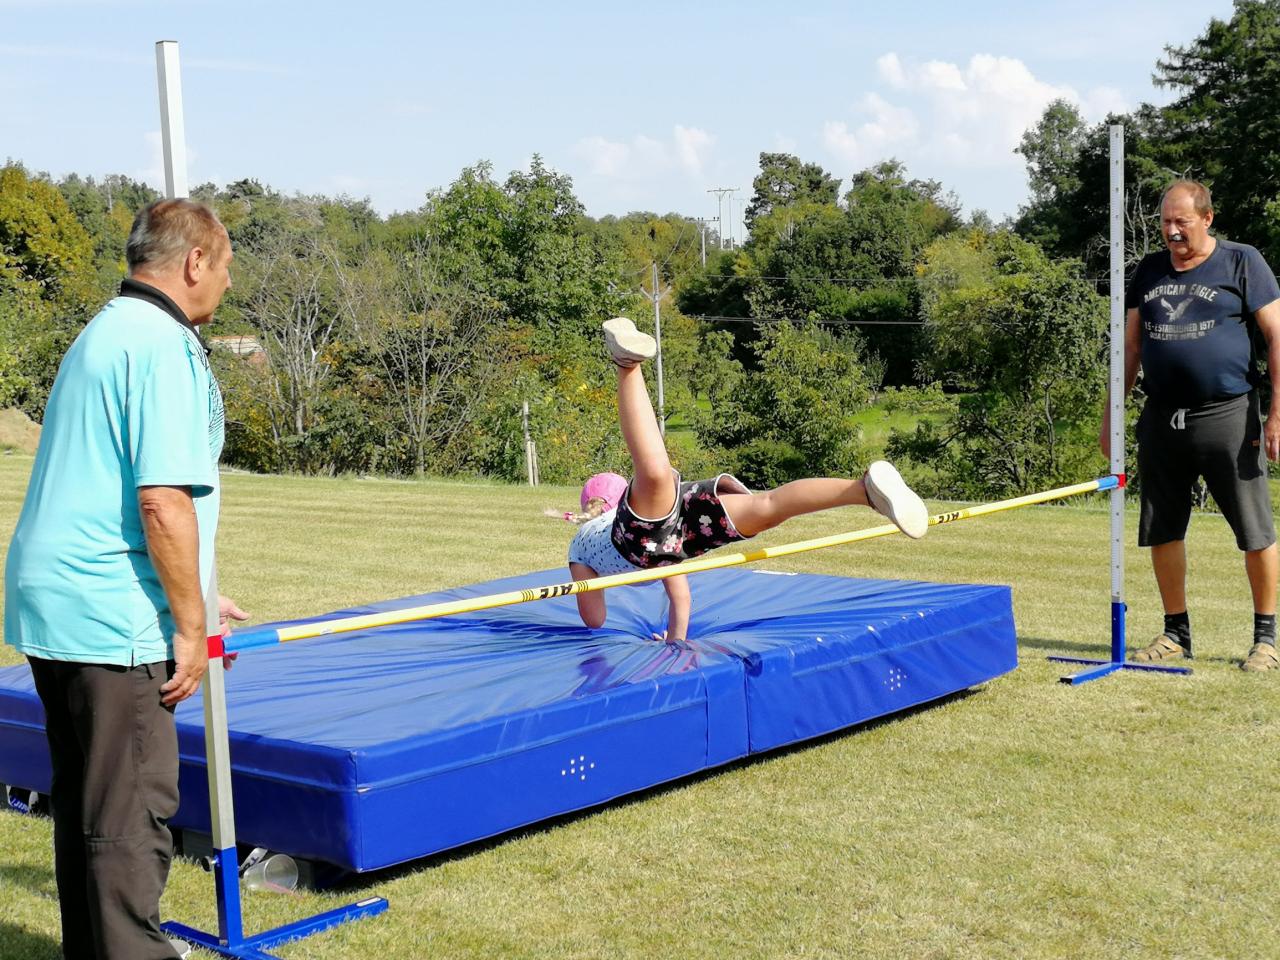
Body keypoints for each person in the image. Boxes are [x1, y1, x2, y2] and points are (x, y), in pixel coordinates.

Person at [3, 198, 248, 959]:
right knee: (129, 816)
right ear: (195, 261)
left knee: (90, 806)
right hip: (113, 617)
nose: (229, 283)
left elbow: (109, 482)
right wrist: (189, 629)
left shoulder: (105, 331)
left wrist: (197, 592)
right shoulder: (162, 346)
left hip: (58, 604)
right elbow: (163, 500)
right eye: (227, 266)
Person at [566, 316, 929, 642]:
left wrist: (597, 585)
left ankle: (626, 363)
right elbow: (679, 594)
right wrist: (675, 640)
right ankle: (863, 491)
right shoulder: (594, 538)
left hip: (645, 545)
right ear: (620, 498)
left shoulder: (582, 546)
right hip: (678, 535)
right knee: (766, 505)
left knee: (655, 471)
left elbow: (595, 620)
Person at [1102, 179, 1280, 672]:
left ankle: (1266, 639)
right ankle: (1175, 633)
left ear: (1207, 218)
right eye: (1165, 222)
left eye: (1182, 221)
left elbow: (1276, 338)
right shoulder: (1149, 270)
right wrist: (1111, 416)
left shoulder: (1242, 262)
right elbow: (1131, 347)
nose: (1172, 231)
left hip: (1228, 416)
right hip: (1162, 418)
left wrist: (1276, 415)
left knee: (1254, 530)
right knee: (1162, 528)